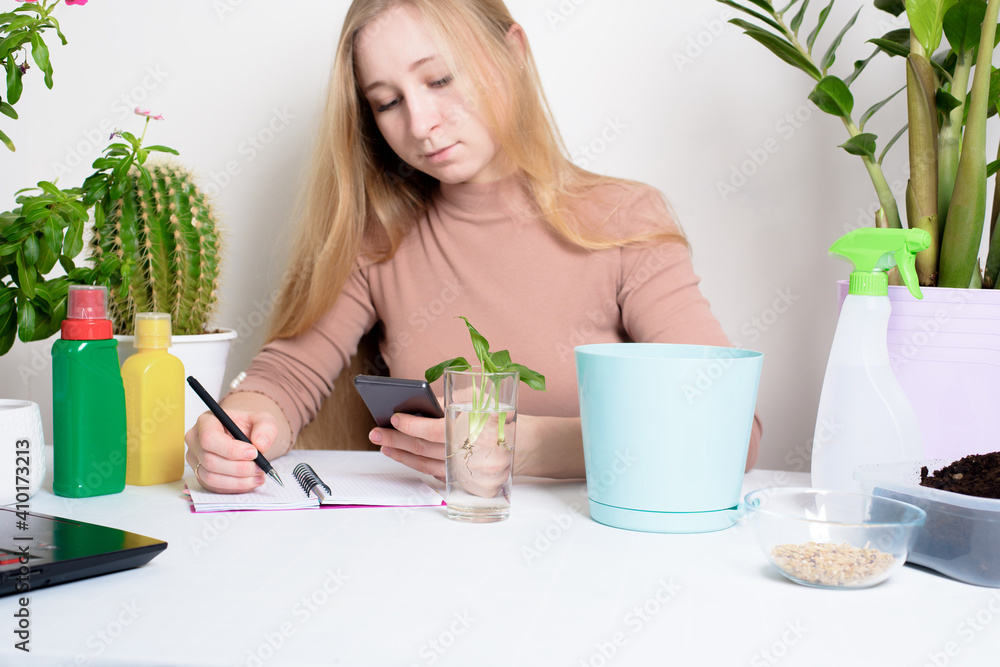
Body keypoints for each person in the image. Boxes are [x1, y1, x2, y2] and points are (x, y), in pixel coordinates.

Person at [184, 0, 763, 494]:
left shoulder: (623, 221)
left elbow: (730, 430)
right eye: (387, 102)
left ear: (513, 52)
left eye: (440, 79)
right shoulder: (380, 239)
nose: (421, 123)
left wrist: (523, 445)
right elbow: (287, 380)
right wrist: (243, 427)